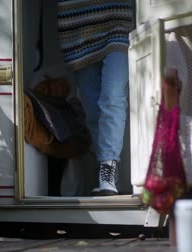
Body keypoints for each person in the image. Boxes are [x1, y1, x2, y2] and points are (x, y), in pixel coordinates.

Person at [57, 0, 134, 195]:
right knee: (92, 113)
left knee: (113, 97)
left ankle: (107, 172)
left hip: (116, 20)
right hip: (78, 28)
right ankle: (106, 172)